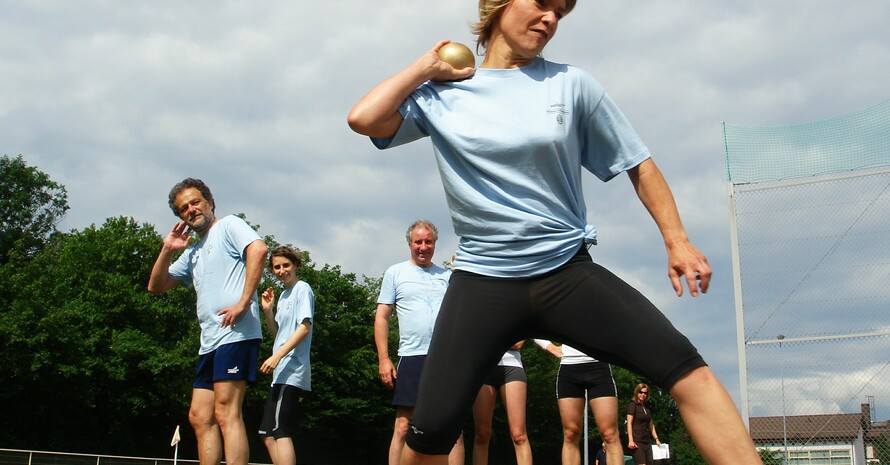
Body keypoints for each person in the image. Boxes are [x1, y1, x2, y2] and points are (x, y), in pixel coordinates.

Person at [347, 0, 763, 464]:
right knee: (430, 431)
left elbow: (638, 164)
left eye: (560, 13)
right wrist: (425, 67)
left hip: (566, 273)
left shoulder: (571, 85)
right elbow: (364, 119)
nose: (550, 18)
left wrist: (677, 240)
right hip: (482, 282)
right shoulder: (443, 93)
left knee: (689, 372)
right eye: (541, 3)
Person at [148, 178, 268, 465]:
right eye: (183, 208)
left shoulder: (228, 225)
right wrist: (167, 249)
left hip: (236, 333)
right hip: (210, 341)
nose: (191, 209)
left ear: (210, 202)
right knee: (200, 416)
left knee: (226, 412)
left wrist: (242, 301)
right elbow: (156, 286)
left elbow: (259, 249)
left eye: (195, 202)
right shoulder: (192, 252)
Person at [374, 220, 464, 465]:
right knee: (403, 425)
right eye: (418, 242)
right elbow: (382, 317)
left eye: (428, 242)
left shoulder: (447, 276)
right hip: (412, 356)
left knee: (452, 428)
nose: (423, 247)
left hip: (445, 358)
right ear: (410, 244)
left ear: (435, 244)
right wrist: (384, 358)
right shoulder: (396, 272)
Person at [257, 246, 315, 465]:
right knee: (267, 435)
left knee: (281, 431)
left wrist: (277, 356)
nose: (281, 270)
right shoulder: (283, 295)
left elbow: (304, 327)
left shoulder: (302, 289)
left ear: (296, 265)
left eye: (286, 265)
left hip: (293, 369)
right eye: (276, 267)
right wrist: (268, 311)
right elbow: (279, 334)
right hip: (279, 373)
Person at [534, 340, 621, 465]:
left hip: (599, 368)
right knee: (570, 433)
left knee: (610, 434)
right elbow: (534, 324)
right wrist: (549, 347)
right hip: (568, 369)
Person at [472, 341, 532, 465]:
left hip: (512, 367)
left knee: (519, 435)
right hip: (483, 369)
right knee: (482, 434)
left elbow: (518, 343)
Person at [627, 384, 661, 465]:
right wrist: (631, 440)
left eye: (645, 393)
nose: (643, 395)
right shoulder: (633, 405)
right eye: (641, 392)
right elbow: (629, 423)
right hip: (637, 440)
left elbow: (651, 425)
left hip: (647, 441)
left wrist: (656, 439)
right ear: (636, 392)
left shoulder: (647, 409)